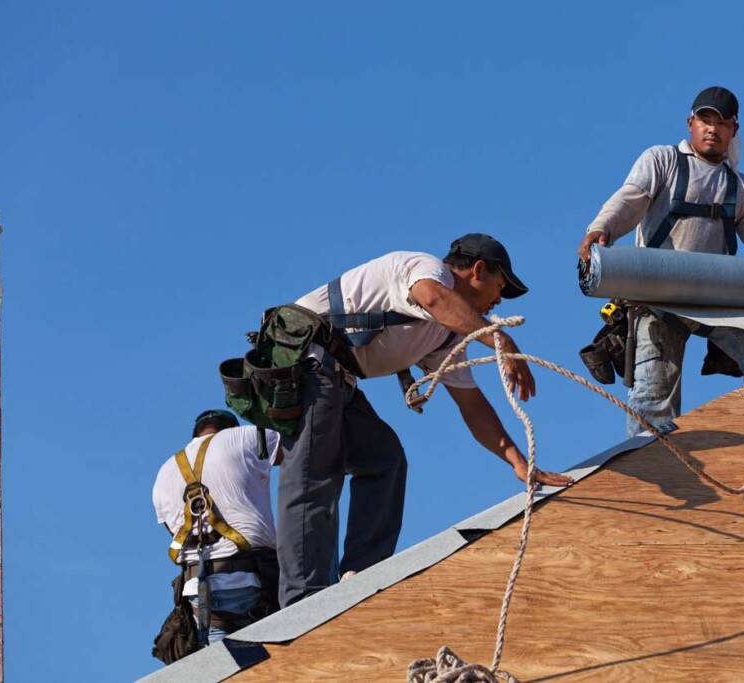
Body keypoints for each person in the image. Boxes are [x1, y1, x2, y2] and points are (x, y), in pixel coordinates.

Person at [274, 233, 573, 607]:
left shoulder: (444, 333)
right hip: (307, 363)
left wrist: (518, 462)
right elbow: (431, 297)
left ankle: (361, 576)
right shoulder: (425, 268)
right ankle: (303, 600)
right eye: (499, 288)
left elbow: (472, 404)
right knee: (312, 471)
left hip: (337, 379)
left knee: (384, 459)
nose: (497, 302)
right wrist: (502, 341)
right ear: (478, 269)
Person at [577, 86, 744, 437]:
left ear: (734, 130)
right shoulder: (663, 161)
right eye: (705, 119)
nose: (712, 129)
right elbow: (630, 199)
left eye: (722, 123)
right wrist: (602, 229)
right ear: (690, 122)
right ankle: (650, 460)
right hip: (658, 299)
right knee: (653, 395)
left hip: (716, 302)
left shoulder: (741, 188)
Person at [152, 409, 282, 646]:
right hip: (252, 580)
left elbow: (175, 534)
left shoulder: (164, 472)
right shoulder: (242, 437)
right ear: (232, 428)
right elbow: (297, 450)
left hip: (199, 598)